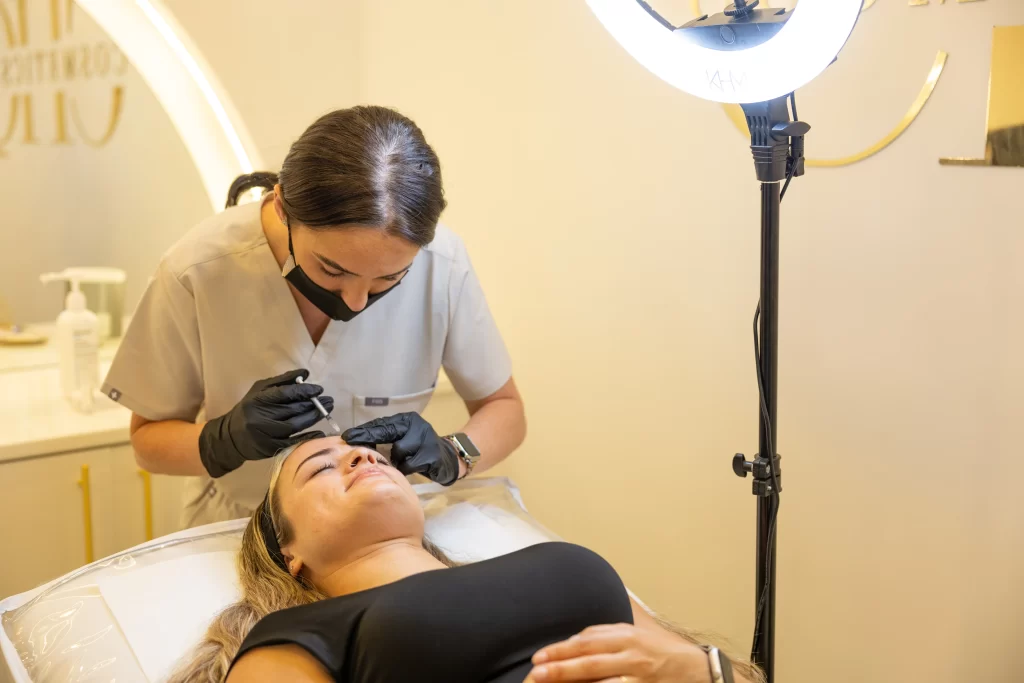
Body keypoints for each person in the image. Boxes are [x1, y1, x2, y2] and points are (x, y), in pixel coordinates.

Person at [101, 106, 525, 527]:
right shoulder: (196, 270)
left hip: (383, 526)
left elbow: (504, 409)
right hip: (243, 527)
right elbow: (147, 443)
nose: (357, 302)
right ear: (283, 208)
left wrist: (455, 453)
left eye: (390, 277)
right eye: (332, 269)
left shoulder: (442, 265)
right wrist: (224, 439)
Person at [170, 436, 764, 683]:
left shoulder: (540, 564)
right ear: (289, 552)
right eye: (322, 467)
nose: (363, 459)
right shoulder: (295, 635)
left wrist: (701, 670)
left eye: (371, 454)